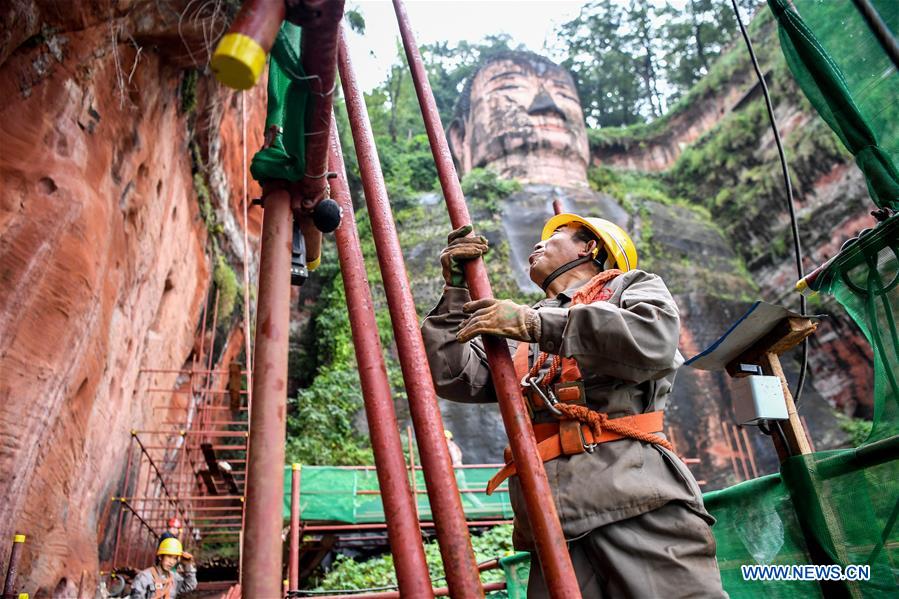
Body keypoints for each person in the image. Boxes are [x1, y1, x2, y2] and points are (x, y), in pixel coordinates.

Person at [421, 215, 726, 598]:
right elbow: (452, 376)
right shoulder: (516, 328)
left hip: (634, 497)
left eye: (556, 236)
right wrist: (455, 292)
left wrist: (539, 325)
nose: (538, 244)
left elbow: (653, 339)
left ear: (590, 247)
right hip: (550, 519)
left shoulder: (628, 287)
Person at [130, 537, 197, 599]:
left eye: (175, 558)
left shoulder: (174, 578)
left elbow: (190, 585)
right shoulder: (145, 577)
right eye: (169, 556)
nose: (172, 562)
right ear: (160, 557)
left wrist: (187, 565)